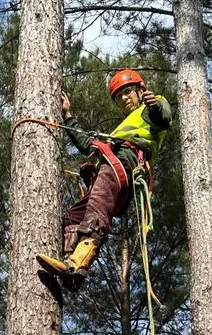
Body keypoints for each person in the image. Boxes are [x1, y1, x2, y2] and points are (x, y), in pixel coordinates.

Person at [36, 69, 172, 290]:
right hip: (111, 168)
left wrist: (154, 104)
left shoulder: (150, 108)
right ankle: (68, 265)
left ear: (140, 90)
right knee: (73, 216)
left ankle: (79, 261)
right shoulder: (121, 129)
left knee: (97, 205)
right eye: (118, 97)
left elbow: (163, 118)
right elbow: (87, 145)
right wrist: (68, 116)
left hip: (124, 164)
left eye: (127, 92)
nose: (124, 98)